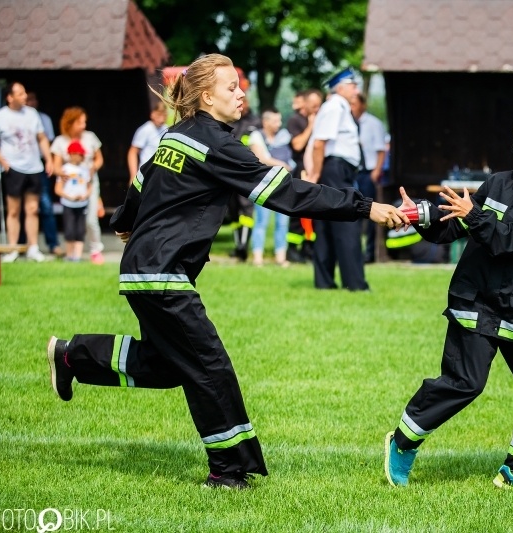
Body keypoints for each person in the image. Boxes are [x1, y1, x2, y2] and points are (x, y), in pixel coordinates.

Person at [46, 53, 408, 490]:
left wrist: (125, 223)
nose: (241, 93)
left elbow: (141, 185)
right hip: (163, 276)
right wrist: (365, 206)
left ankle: (72, 355)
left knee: (166, 366)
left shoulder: (174, 137)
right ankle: (227, 472)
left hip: (144, 271)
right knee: (210, 367)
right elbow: (287, 195)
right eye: (232, 86)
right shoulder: (215, 145)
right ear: (205, 95)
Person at [384, 109, 513, 490]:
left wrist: (476, 216)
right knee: (464, 383)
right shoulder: (496, 184)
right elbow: (453, 225)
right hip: (474, 298)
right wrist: (418, 215)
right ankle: (403, 442)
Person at [307, 68, 368, 291]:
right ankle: (355, 283)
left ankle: (325, 282)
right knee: (347, 222)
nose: (356, 89)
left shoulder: (338, 107)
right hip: (335, 169)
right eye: (352, 85)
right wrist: (314, 174)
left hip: (336, 169)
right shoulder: (335, 106)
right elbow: (319, 143)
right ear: (340, 87)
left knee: (327, 224)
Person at [0, 81, 53, 263]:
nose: (25, 97)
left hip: (34, 167)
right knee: (14, 210)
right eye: (20, 93)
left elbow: (41, 138)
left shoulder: (32, 114)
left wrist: (47, 158)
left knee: (32, 209)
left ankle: (33, 248)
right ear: (10, 97)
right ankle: (13, 249)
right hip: (14, 167)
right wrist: (2, 161)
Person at [51, 107, 105, 265]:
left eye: (84, 122)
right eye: (80, 122)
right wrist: (63, 174)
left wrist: (92, 168)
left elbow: (99, 159)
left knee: (91, 220)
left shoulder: (90, 137)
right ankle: (72, 252)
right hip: (70, 188)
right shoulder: (60, 142)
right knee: (71, 221)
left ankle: (96, 249)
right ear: (70, 123)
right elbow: (55, 166)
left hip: (89, 184)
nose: (83, 125)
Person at [248, 108, 293, 266]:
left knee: (282, 222)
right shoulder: (256, 136)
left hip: (283, 185)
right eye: (275, 121)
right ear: (265, 122)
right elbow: (261, 158)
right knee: (261, 221)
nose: (278, 124)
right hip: (263, 185)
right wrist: (282, 164)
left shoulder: (284, 137)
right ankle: (257, 257)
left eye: (279, 120)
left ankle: (281, 257)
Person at [286, 88, 324, 262]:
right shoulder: (296, 120)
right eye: (313, 106)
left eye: (319, 106)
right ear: (306, 104)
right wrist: (311, 125)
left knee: (313, 213)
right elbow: (297, 145)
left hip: (316, 170)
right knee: (298, 213)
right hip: (301, 169)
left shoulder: (323, 119)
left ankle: (309, 249)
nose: (316, 109)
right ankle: (293, 250)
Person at [351, 92, 387, 263]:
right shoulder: (348, 123)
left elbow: (381, 149)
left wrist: (376, 171)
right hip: (353, 171)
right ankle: (354, 250)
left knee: (370, 211)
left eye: (354, 104)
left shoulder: (373, 124)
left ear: (362, 105)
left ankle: (370, 253)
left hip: (368, 172)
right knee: (352, 210)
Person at [26, 91, 63, 257]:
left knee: (45, 205)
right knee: (21, 208)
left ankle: (53, 243)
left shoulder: (43, 119)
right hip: (19, 166)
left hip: (38, 163)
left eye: (32, 99)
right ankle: (20, 244)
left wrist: (49, 161)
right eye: (27, 99)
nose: (30, 102)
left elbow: (46, 141)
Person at [227, 92, 263, 261]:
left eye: (243, 100)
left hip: (246, 171)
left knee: (246, 210)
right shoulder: (231, 119)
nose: (241, 103)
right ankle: (237, 245)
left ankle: (244, 246)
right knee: (233, 211)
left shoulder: (255, 122)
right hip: (229, 170)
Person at [54, 141, 92, 262]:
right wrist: (69, 197)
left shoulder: (85, 169)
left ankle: (78, 256)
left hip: (82, 204)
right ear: (73, 154)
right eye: (80, 154)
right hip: (68, 204)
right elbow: (58, 189)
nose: (82, 157)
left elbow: (89, 185)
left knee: (80, 230)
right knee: (69, 229)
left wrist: (85, 195)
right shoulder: (65, 169)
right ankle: (70, 255)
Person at [127, 101, 168, 184]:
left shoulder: (167, 129)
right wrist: (133, 175)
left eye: (164, 115)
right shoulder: (145, 129)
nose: (162, 119)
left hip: (161, 176)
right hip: (146, 175)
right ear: (152, 114)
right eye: (159, 115)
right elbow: (132, 152)